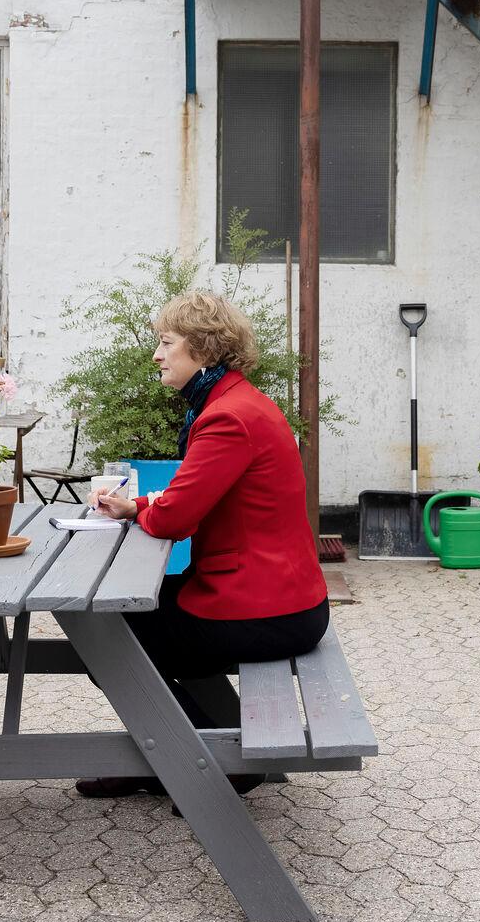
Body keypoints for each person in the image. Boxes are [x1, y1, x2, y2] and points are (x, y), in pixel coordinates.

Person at [83, 290, 330, 799]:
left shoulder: (225, 417)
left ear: (203, 348)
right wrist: (137, 506)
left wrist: (148, 509)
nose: (156, 354)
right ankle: (164, 757)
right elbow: (196, 495)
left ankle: (210, 759)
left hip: (264, 613)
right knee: (120, 624)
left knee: (102, 637)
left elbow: (175, 518)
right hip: (284, 600)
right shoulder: (239, 403)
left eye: (166, 343)